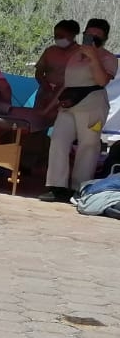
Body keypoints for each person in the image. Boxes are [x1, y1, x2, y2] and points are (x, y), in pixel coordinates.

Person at [41, 18, 117, 202]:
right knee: (58, 141)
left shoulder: (108, 58)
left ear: (104, 38)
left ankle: (79, 187)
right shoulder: (74, 55)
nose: (91, 38)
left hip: (93, 104)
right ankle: (56, 186)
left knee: (88, 146)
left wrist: (93, 57)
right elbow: (66, 83)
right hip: (69, 103)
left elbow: (101, 81)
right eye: (88, 34)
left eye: (96, 36)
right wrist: (50, 106)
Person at [34, 19, 82, 120]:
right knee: (38, 121)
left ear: (72, 35)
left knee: (63, 123)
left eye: (61, 36)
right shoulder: (50, 51)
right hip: (45, 92)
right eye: (55, 36)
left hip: (69, 95)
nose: (57, 38)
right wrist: (46, 87)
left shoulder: (82, 53)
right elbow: (38, 72)